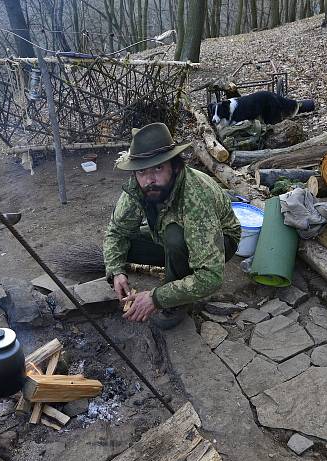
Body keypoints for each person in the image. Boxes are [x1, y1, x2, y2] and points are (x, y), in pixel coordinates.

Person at [103, 122, 241, 329]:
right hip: (163, 234)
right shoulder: (137, 187)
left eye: (158, 168)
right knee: (128, 243)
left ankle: (178, 302)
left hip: (221, 240)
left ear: (175, 166)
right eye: (141, 172)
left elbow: (211, 276)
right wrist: (116, 271)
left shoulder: (196, 196)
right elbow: (116, 231)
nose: (149, 179)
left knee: (175, 236)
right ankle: (174, 267)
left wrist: (156, 298)